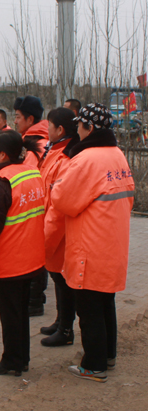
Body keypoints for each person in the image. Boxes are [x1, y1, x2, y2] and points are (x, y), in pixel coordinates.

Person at [52, 103, 134, 383]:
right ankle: (108, 356)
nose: (77, 129)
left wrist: (56, 186)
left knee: (88, 309)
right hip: (112, 243)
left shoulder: (86, 159)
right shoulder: (117, 155)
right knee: (105, 302)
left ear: (89, 128)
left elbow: (64, 200)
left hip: (90, 245)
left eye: (79, 125)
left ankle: (94, 364)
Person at [0, 129, 45, 377]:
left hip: (10, 261)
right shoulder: (33, 172)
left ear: (2, 154)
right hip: (32, 257)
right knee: (21, 311)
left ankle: (13, 360)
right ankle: (21, 357)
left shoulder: (2, 183)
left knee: (11, 313)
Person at [37, 107, 80, 347]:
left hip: (59, 230)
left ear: (60, 129)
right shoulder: (55, 151)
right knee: (57, 277)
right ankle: (61, 320)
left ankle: (65, 330)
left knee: (63, 279)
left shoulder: (67, 157)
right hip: (48, 224)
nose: (47, 130)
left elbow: (58, 205)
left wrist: (44, 241)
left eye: (49, 126)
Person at [13, 95, 49, 316]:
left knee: (36, 253)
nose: (14, 121)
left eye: (17, 117)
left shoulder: (35, 145)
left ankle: (34, 300)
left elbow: (29, 179)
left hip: (37, 205)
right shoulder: (39, 140)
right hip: (42, 204)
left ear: (30, 118)